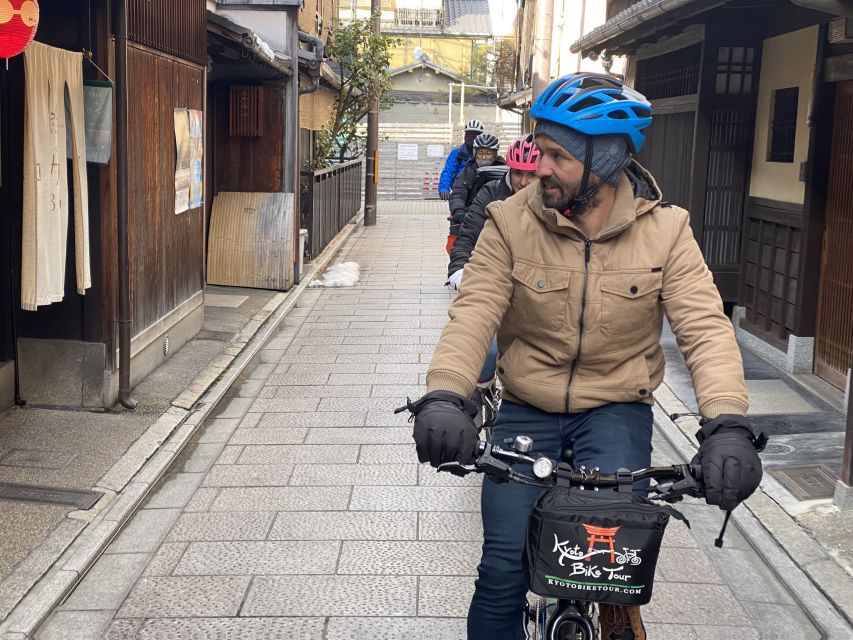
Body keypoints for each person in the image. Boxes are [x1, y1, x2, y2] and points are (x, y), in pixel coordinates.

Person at [403, 73, 765, 640]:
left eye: (556, 156)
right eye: (538, 151)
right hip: (526, 407)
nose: (538, 167)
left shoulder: (667, 232)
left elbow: (705, 328)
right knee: (500, 572)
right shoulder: (509, 222)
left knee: (612, 577)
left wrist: (727, 424)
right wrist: (448, 394)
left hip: (616, 411)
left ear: (606, 158)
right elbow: (474, 313)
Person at [446, 134, 540, 390]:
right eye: (518, 173)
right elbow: (469, 233)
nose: (523, 182)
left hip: (537, 288)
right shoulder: (490, 193)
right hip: (495, 280)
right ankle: (476, 399)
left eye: (531, 175)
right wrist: (458, 270)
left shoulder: (552, 198)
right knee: (484, 351)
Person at [446, 133, 505, 254]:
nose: (484, 157)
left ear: (495, 155)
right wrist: (459, 212)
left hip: (496, 218)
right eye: (481, 153)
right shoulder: (468, 170)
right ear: (475, 153)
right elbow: (458, 193)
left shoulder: (504, 170)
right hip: (470, 217)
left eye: (488, 154)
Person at [438, 119, 485, 200]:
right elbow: (448, 171)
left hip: (480, 193)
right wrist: (444, 188)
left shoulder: (485, 154)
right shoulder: (457, 154)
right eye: (469, 135)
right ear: (465, 136)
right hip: (460, 191)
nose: (471, 139)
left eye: (475, 136)